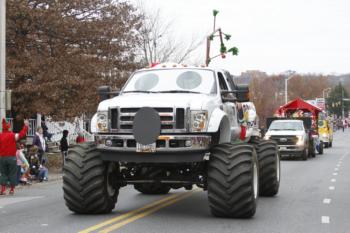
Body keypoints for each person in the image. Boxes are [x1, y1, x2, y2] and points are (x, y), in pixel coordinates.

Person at [0, 119, 29, 195]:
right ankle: (12, 190)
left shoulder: (0, 136)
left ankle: (3, 190)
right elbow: (21, 135)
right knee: (12, 173)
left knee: (3, 174)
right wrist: (25, 126)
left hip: (2, 158)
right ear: (9, 128)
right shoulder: (13, 135)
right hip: (12, 158)